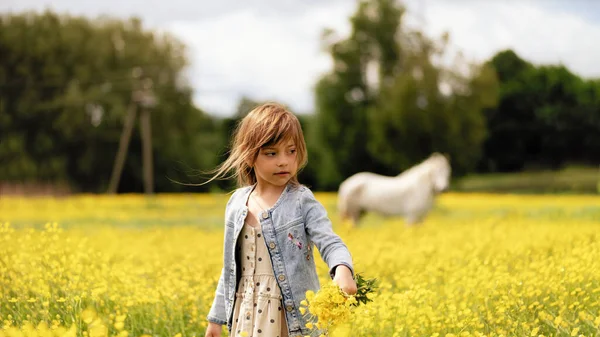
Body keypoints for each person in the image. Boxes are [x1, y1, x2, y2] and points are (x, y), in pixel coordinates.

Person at [204, 102, 357, 337]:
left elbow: (331, 243)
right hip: (246, 313)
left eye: (291, 151)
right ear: (249, 155)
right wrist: (216, 319)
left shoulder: (301, 200)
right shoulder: (236, 203)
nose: (283, 161)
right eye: (271, 153)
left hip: (288, 315)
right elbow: (230, 269)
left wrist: (342, 269)